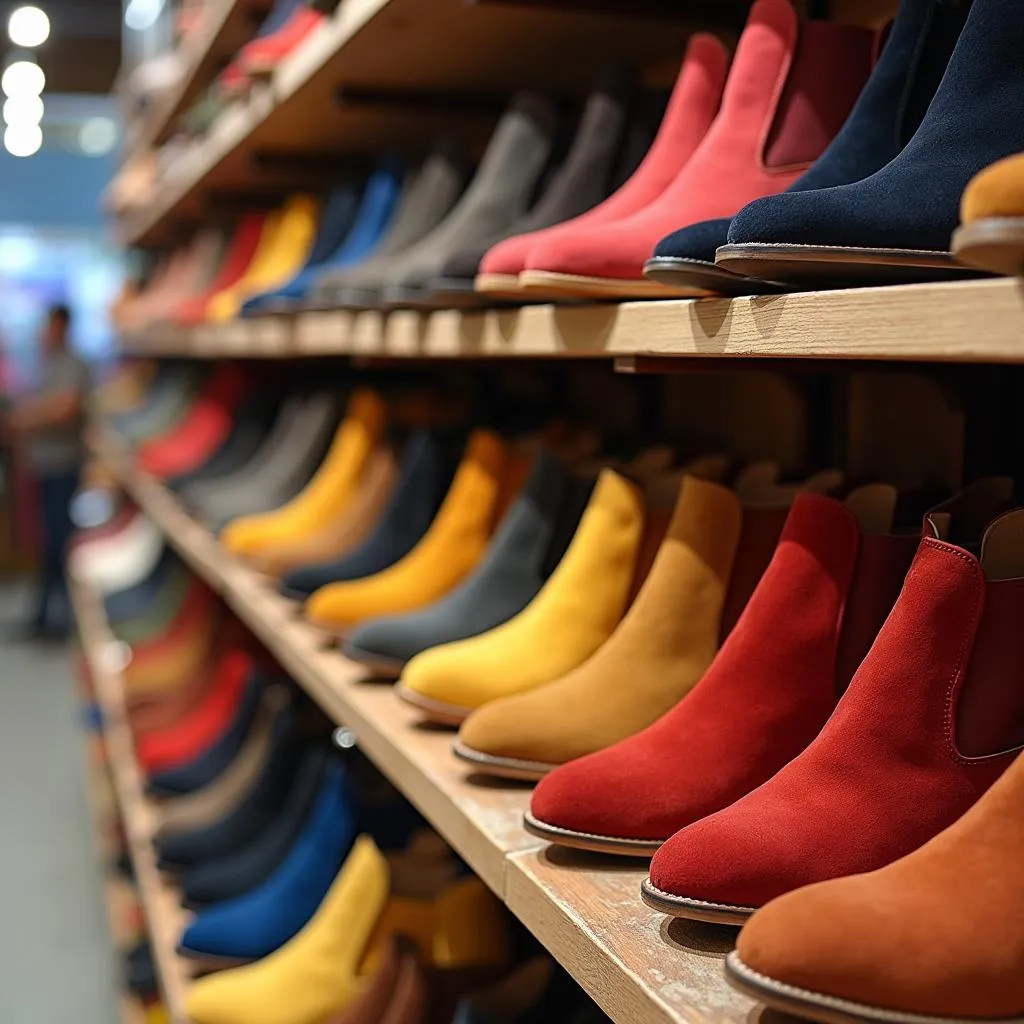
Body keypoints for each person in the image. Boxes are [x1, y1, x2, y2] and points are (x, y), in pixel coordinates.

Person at [5, 304, 90, 639]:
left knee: (59, 541)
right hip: (42, 465)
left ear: (63, 326)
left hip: (63, 464)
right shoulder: (47, 363)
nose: (45, 332)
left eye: (50, 326)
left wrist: (26, 419)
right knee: (45, 542)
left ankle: (62, 618)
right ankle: (43, 615)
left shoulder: (73, 364)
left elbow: (65, 408)